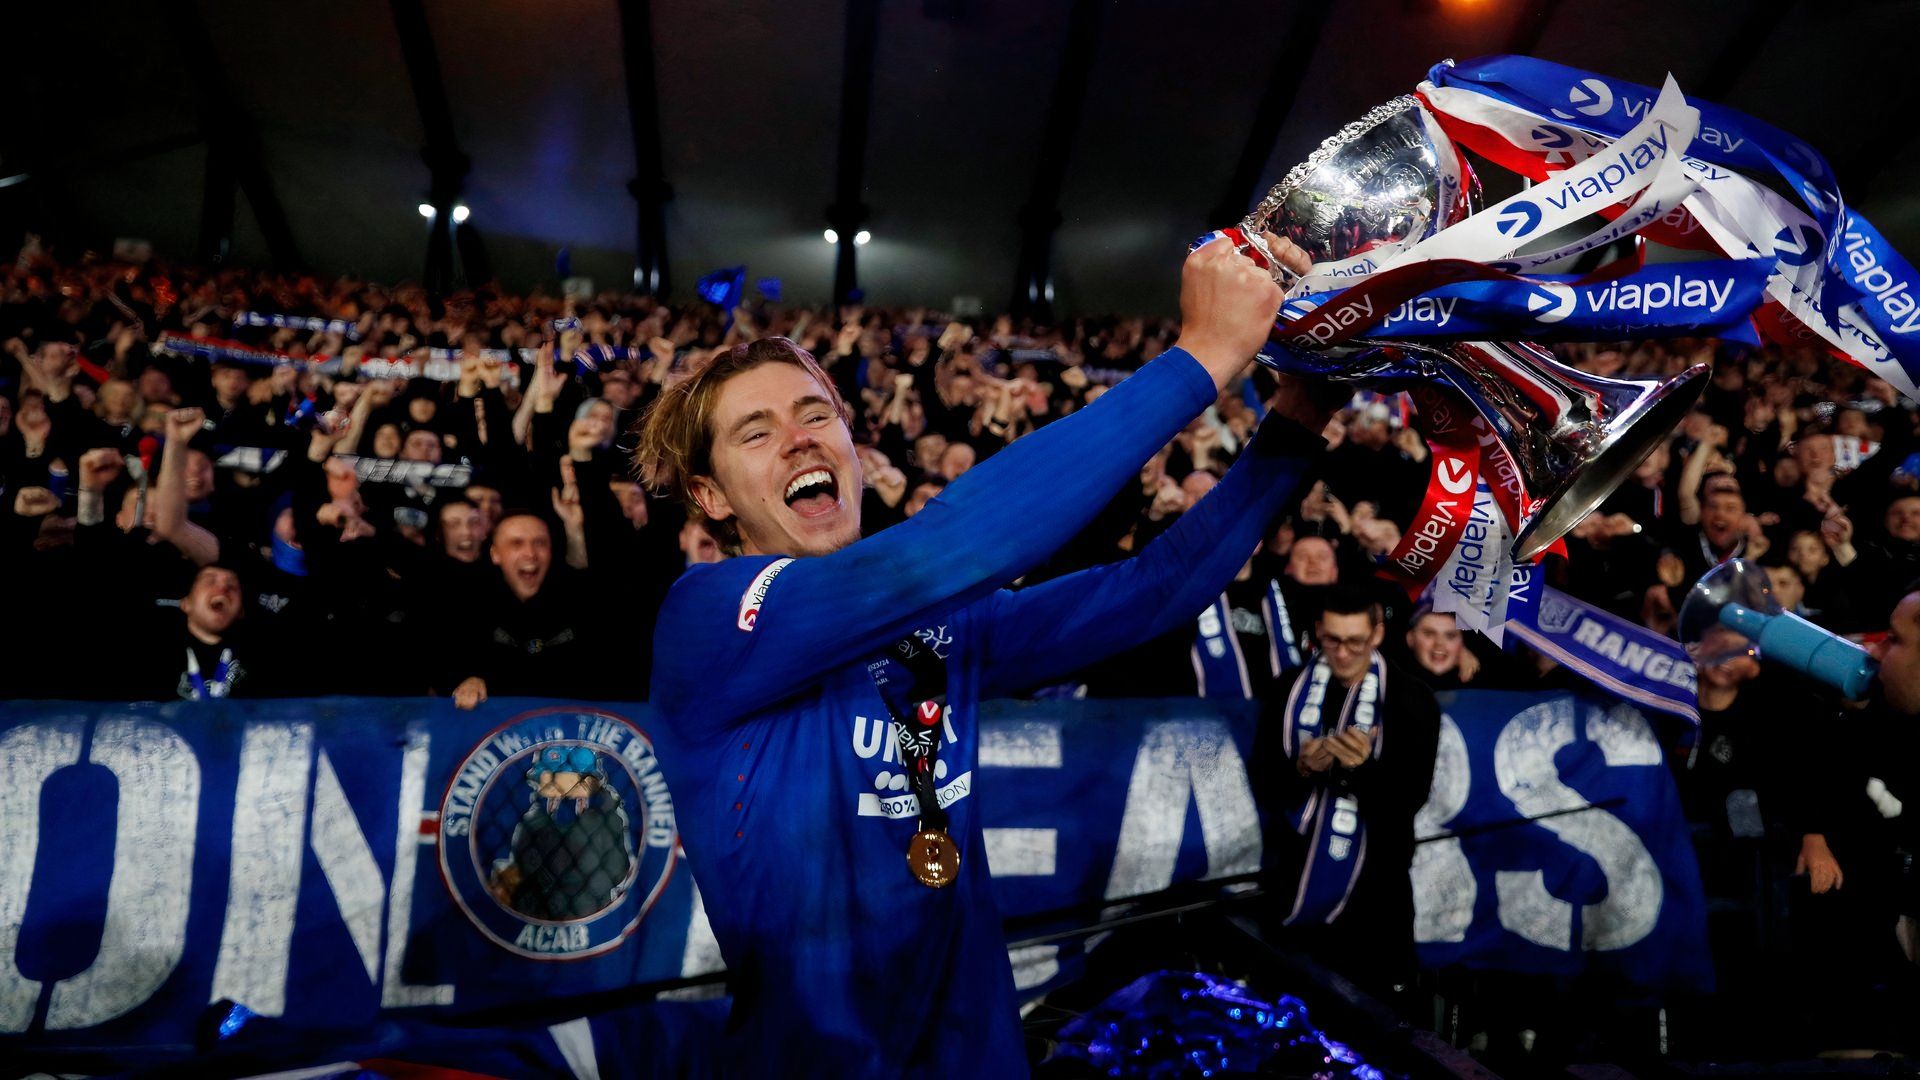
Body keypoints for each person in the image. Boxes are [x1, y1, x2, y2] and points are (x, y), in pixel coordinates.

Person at [633, 232, 1330, 1077]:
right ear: (710, 496)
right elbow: (950, 546)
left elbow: (1153, 588)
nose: (799, 440)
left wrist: (1295, 422)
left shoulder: (942, 628)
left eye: (816, 415)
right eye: (756, 432)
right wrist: (1201, 357)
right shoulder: (706, 620)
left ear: (853, 447)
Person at [1252, 585, 1441, 999]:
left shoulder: (1411, 698)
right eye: (1332, 640)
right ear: (1318, 632)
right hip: (1293, 885)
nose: (1341, 652)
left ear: (1376, 634)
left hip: (1376, 899)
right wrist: (1302, 768)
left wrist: (1362, 770)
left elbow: (1410, 800)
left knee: (1377, 1034)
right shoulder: (1287, 689)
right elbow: (1265, 785)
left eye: (1354, 641)